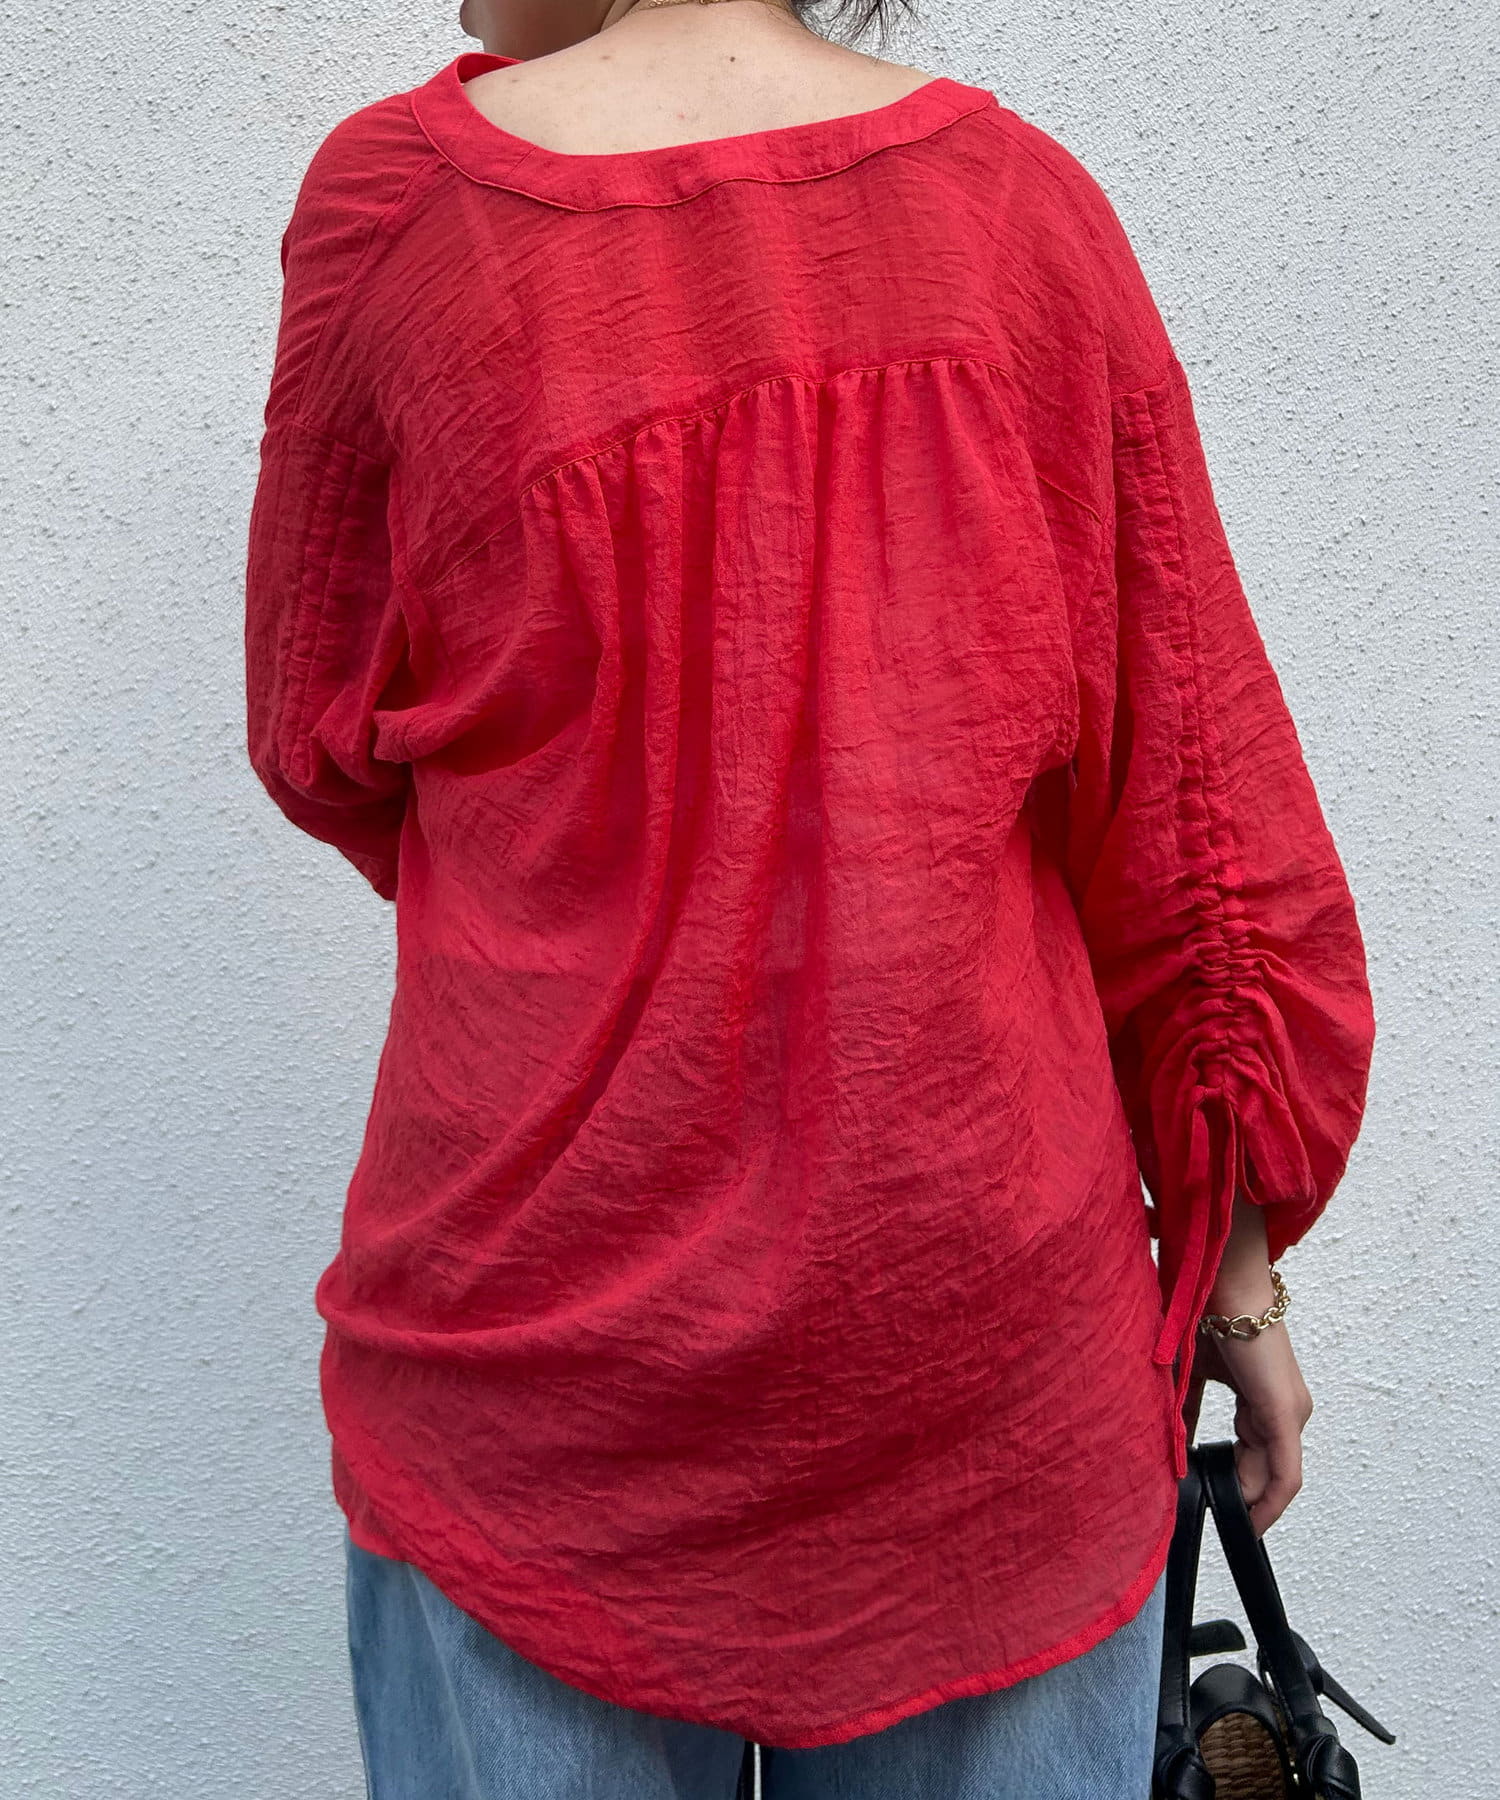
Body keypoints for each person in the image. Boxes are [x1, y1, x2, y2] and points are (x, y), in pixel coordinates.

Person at [242, 0, 1376, 1793]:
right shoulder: (1021, 211)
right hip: (988, 1370)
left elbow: (318, 732)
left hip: (538, 1377)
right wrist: (1239, 1287)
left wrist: (613, 867)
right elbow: (1188, 806)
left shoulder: (399, 216)